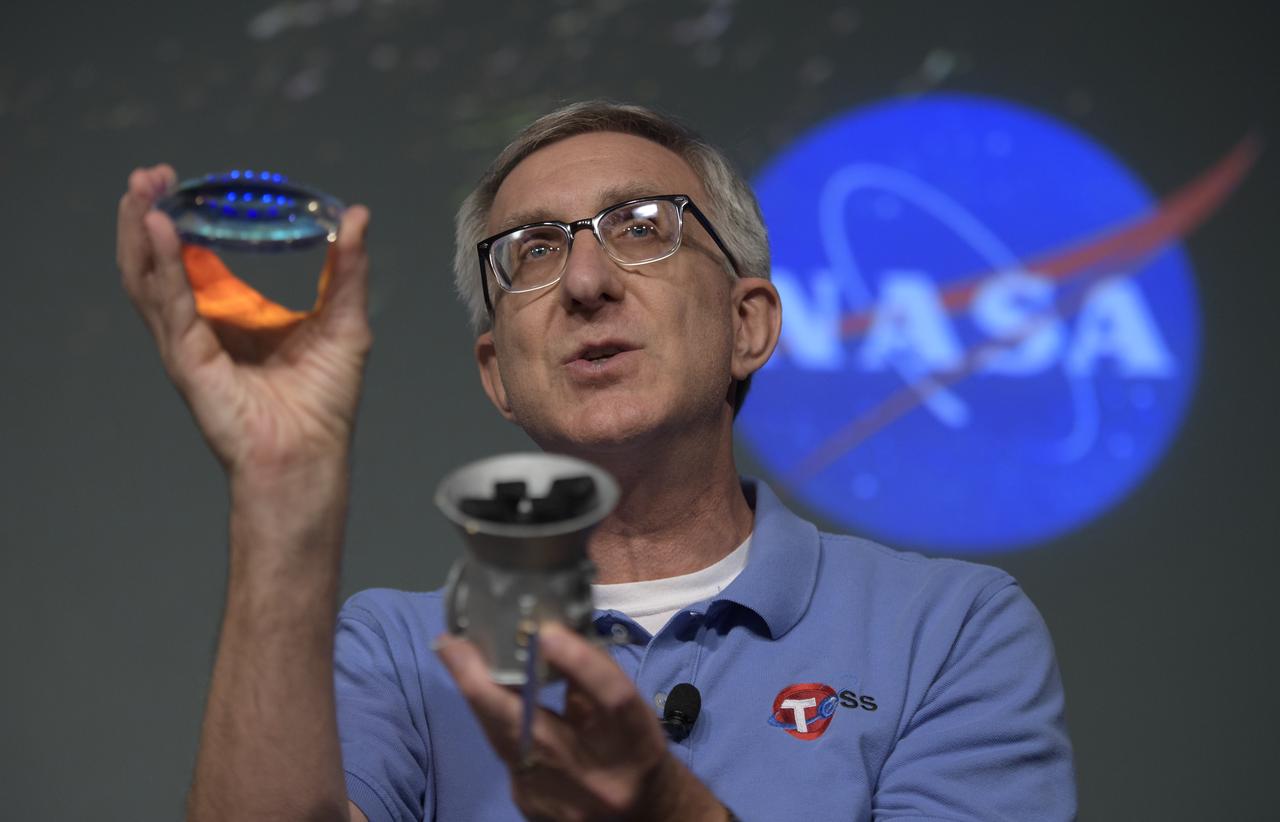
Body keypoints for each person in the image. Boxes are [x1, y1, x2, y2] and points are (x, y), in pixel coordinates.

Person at [116, 101, 1076, 821]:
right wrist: (282, 487)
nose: (583, 282)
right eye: (531, 252)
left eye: (643, 228)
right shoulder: (401, 656)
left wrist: (664, 807)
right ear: (498, 371)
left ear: (751, 325)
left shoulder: (945, 631)